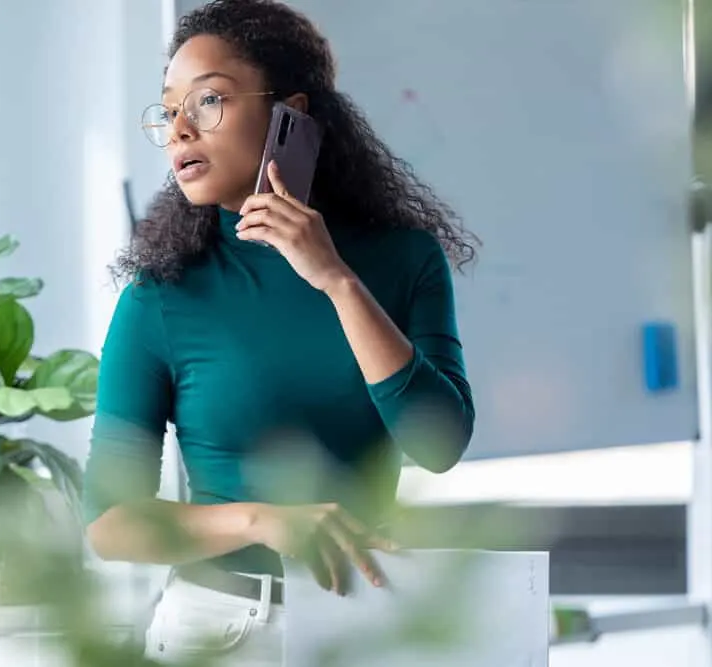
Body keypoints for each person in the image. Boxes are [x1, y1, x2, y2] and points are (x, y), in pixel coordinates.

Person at [83, 0, 478, 663]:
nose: (179, 129)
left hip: (371, 619)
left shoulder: (404, 260)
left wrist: (336, 280)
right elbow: (110, 524)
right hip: (222, 627)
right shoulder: (160, 297)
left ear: (290, 115)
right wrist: (263, 517)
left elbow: (438, 441)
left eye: (207, 101)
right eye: (168, 109)